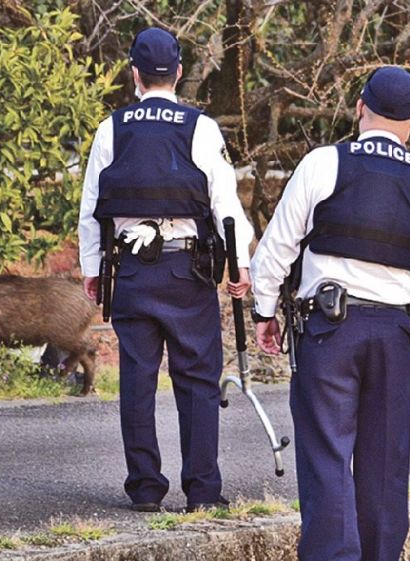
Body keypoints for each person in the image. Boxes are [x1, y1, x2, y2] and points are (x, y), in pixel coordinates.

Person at [250, 66, 410, 561]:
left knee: (327, 456)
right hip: (394, 333)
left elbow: (276, 250)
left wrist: (264, 311)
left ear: (360, 106)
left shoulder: (322, 164)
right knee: (385, 461)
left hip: (330, 331)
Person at [78, 27, 253, 513]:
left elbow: (91, 207)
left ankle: (145, 488)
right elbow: (226, 208)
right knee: (197, 379)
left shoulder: (112, 128)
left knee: (137, 379)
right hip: (186, 272)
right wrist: (239, 267)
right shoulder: (200, 128)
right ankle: (202, 490)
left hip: (129, 272)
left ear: (133, 73)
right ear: (177, 73)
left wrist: (92, 268)